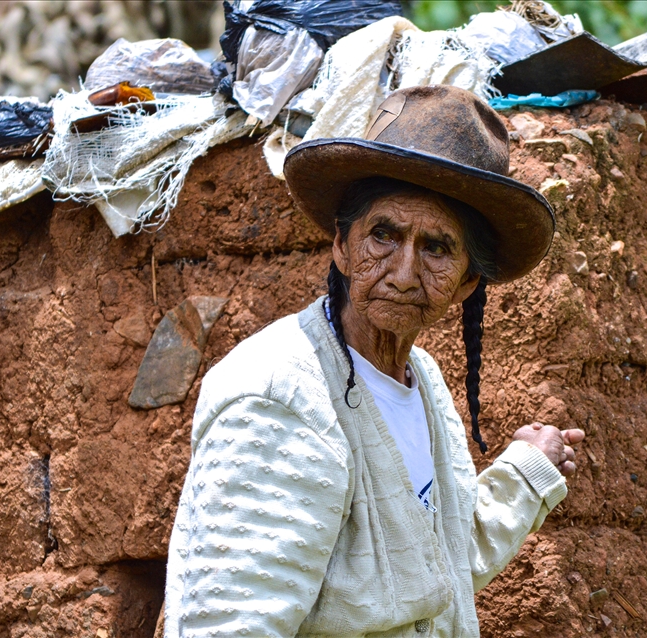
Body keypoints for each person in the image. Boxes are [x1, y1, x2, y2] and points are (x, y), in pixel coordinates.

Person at [162, 85, 584, 637]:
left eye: (436, 248)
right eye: (383, 235)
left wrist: (527, 474)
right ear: (342, 246)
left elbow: (430, 566)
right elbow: (231, 624)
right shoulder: (281, 395)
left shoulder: (421, 382)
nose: (405, 272)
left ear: (466, 282)